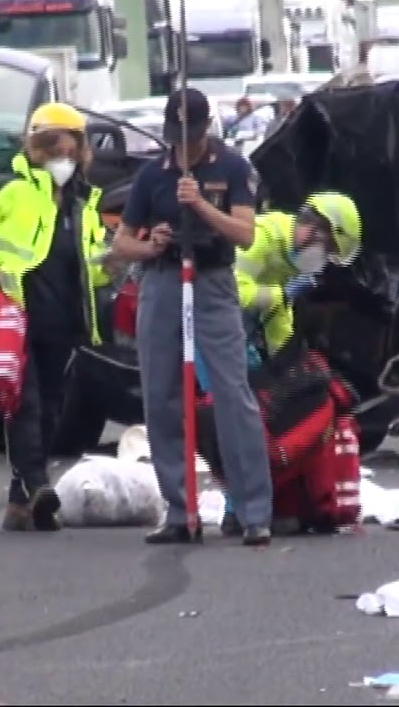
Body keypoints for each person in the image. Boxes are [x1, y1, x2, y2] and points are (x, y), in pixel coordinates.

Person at [113, 87, 274, 546]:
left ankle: (253, 510)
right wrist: (151, 245)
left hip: (212, 281)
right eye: (176, 137)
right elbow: (121, 242)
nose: (183, 147)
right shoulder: (152, 174)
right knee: (159, 395)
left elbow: (245, 234)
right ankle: (181, 511)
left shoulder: (233, 168)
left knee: (231, 392)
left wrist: (200, 205)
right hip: (162, 281)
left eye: (191, 137)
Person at [0, 102, 114, 532]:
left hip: (63, 322)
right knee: (27, 403)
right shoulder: (11, 190)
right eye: (54, 149)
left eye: (71, 149)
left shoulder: (84, 203)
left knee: (51, 408)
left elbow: (91, 263)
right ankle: (38, 484)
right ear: (37, 149)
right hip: (16, 318)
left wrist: (114, 263)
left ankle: (19, 504)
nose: (63, 158)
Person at [217, 193, 362, 535]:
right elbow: (231, 291)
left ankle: (253, 504)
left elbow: (278, 316)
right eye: (327, 249)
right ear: (315, 229)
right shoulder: (260, 238)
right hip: (208, 330)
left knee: (253, 416)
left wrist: (289, 363)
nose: (323, 259)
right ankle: (237, 509)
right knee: (235, 416)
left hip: (237, 333)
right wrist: (281, 295)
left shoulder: (288, 258)